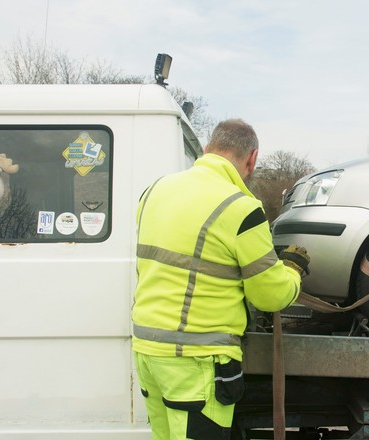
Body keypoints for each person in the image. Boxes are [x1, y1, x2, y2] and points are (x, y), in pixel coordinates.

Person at [131, 118, 310, 440]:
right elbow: (270, 296)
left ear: (206, 149)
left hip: (148, 351)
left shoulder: (153, 191)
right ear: (252, 158)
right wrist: (293, 269)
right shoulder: (241, 209)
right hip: (198, 359)